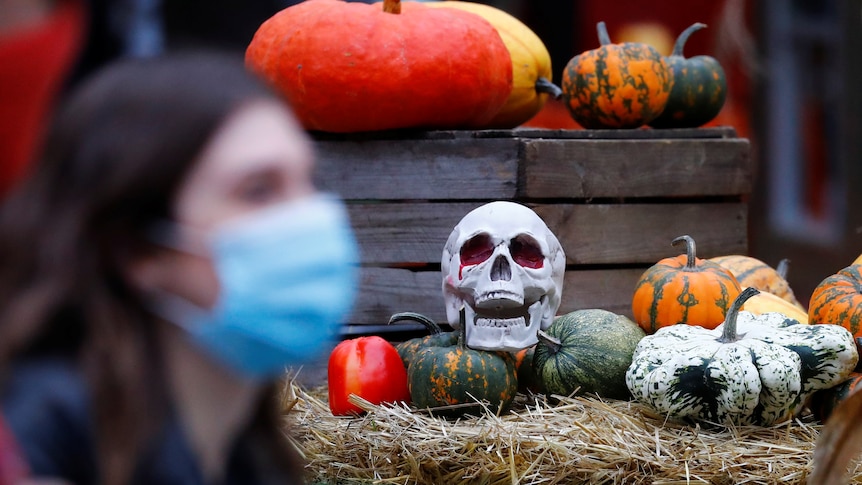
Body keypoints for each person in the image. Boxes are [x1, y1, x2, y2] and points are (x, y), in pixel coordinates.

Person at [0, 52, 359, 484]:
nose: (306, 218)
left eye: (309, 181)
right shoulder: (33, 450)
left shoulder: (247, 453)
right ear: (139, 248)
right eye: (259, 190)